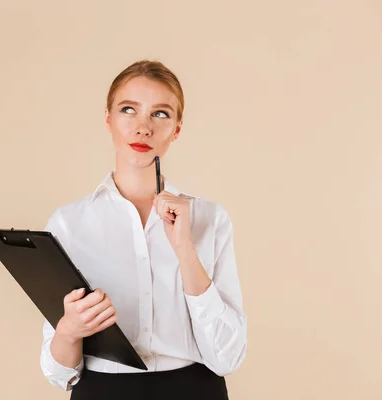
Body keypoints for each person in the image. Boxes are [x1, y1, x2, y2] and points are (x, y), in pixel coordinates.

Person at [39, 60, 247, 400]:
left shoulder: (210, 219)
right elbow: (58, 373)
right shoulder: (68, 223)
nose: (143, 128)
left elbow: (228, 357)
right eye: (128, 110)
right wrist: (70, 330)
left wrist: (185, 250)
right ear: (108, 119)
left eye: (160, 114)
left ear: (177, 128)